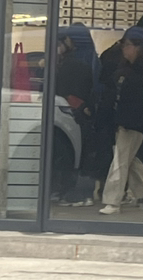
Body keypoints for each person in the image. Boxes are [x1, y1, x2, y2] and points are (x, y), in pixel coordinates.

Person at [99, 26, 143, 215]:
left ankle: (112, 201)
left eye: (128, 45)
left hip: (133, 121)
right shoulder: (127, 69)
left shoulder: (142, 71)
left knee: (120, 161)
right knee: (129, 161)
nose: (124, 49)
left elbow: (141, 99)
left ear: (138, 47)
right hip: (124, 120)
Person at [53, 25, 95, 205]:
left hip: (71, 113)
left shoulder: (70, 65)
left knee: (71, 156)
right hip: (83, 113)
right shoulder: (90, 59)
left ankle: (72, 193)